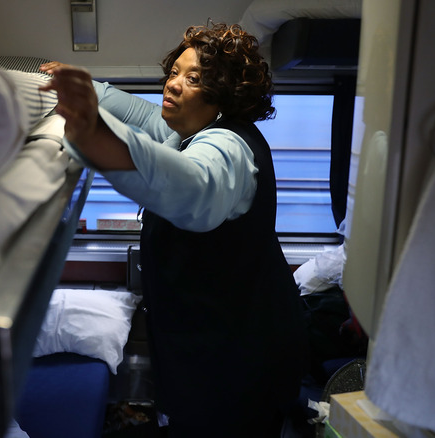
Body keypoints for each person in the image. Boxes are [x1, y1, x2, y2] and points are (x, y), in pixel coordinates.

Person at [40, 22, 308, 437]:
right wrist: (76, 84)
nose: (174, 85)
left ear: (223, 97)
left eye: (194, 79)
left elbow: (193, 188)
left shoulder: (228, 148)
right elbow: (133, 110)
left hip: (240, 357)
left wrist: (93, 133)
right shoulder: (183, 129)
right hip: (207, 343)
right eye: (174, 72)